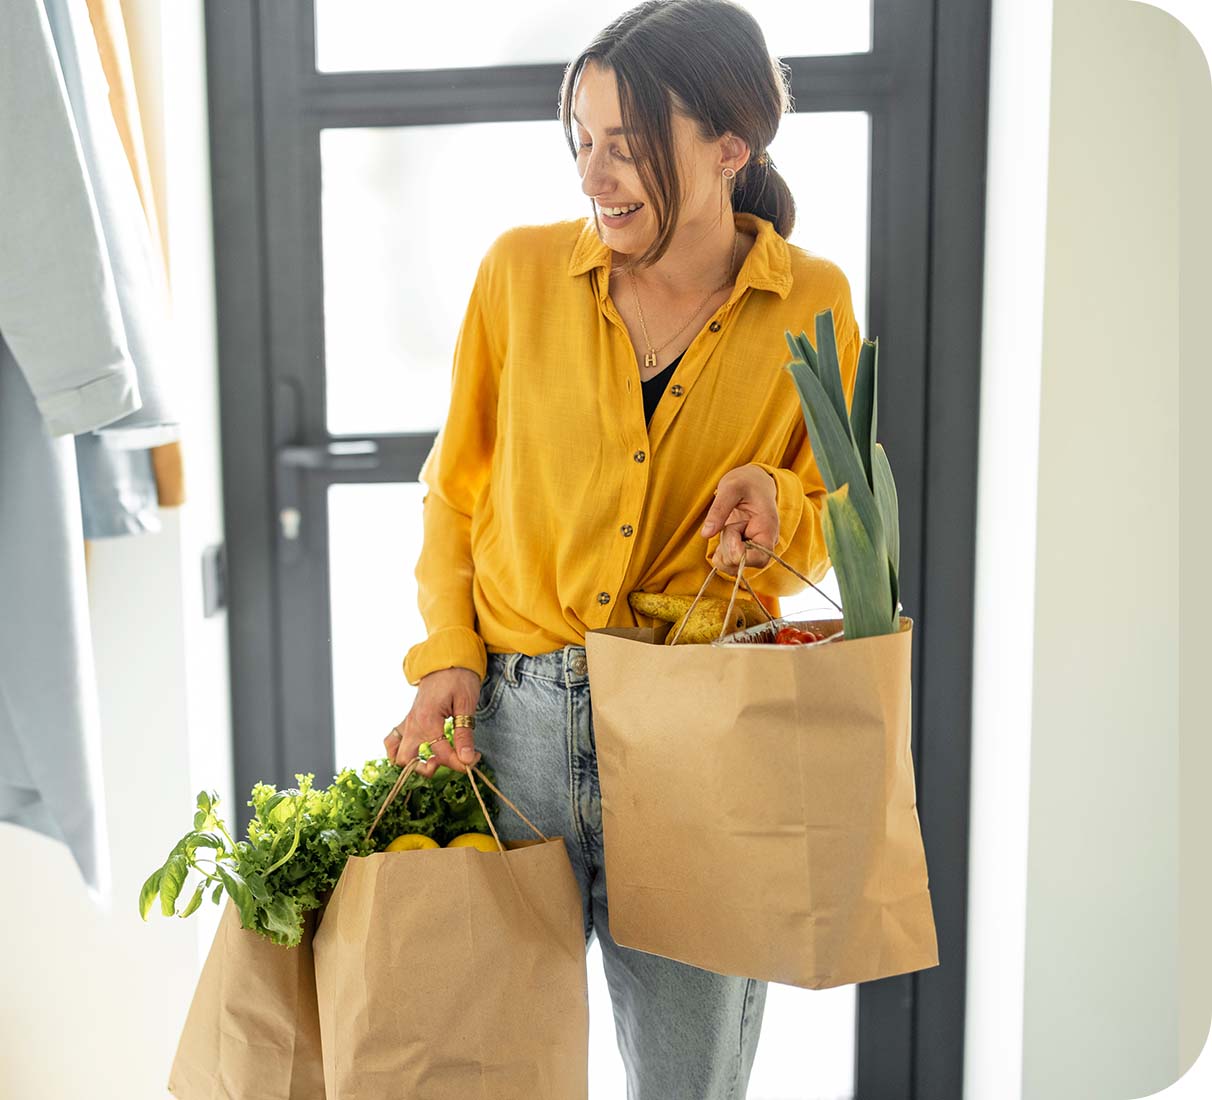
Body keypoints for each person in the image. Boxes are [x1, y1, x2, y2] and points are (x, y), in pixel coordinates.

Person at [385, 1, 861, 1095]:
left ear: (730, 147)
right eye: (582, 142)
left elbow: (849, 512)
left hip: (699, 731)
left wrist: (780, 501)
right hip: (514, 730)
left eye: (628, 146)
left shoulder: (813, 302)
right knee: (485, 1068)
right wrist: (447, 651)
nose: (596, 178)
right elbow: (453, 489)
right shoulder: (517, 275)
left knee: (690, 1079)